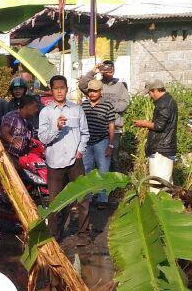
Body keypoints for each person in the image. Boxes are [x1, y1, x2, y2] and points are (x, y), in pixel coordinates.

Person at [38, 75, 90, 239]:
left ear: (67, 89)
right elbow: (43, 138)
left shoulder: (77, 109)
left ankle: (83, 234)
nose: (59, 91)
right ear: (51, 91)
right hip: (55, 162)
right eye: (56, 88)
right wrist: (57, 127)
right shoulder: (45, 112)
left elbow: (85, 133)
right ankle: (54, 235)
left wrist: (80, 150)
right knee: (55, 201)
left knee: (82, 198)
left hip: (75, 160)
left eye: (62, 88)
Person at [132, 80, 178, 191]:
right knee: (165, 182)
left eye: (150, 93)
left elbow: (159, 126)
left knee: (157, 182)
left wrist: (144, 124)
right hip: (164, 146)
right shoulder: (168, 101)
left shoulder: (164, 103)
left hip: (161, 148)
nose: (150, 96)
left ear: (155, 90)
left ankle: (157, 206)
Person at [81, 82, 116, 207]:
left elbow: (111, 125)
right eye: (90, 91)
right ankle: (87, 198)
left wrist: (110, 145)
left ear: (101, 91)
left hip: (102, 141)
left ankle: (102, 199)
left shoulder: (107, 105)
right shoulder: (84, 105)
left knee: (103, 171)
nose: (92, 93)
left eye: (95, 91)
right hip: (86, 143)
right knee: (86, 170)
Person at [78, 60, 130, 144]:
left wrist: (107, 107)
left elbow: (124, 104)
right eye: (106, 71)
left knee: (113, 153)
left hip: (115, 126)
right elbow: (82, 86)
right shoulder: (96, 85)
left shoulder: (120, 86)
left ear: (114, 70)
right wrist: (92, 72)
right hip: (96, 128)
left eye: (111, 71)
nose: (109, 73)